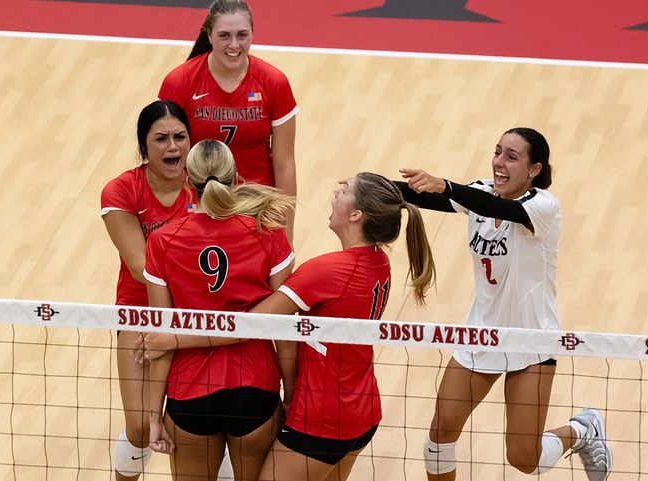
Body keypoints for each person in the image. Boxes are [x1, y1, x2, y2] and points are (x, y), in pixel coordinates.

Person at [395, 128, 612, 481]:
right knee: (437, 441)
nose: (498, 162)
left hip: (532, 341)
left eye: (511, 157)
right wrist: (371, 186)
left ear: (533, 170)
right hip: (481, 336)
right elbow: (428, 197)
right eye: (497, 152)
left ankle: (582, 430)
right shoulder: (480, 193)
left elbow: (497, 207)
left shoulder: (542, 207)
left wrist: (447, 186)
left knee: (526, 459)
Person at [243, 173, 436, 481]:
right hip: (361, 411)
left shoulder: (327, 270)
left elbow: (251, 322)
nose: (335, 191)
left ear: (357, 214)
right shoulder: (378, 262)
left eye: (344, 190)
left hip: (323, 419)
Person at [138, 139, 295, 481]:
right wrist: (291, 398)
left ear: (186, 182)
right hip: (255, 389)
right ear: (237, 177)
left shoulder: (162, 243)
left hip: (189, 393)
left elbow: (161, 338)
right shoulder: (269, 235)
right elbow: (284, 334)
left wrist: (152, 416)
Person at [100, 100, 197, 480]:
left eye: (180, 137)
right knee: (141, 426)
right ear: (144, 146)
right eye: (161, 139)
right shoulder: (122, 191)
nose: (173, 147)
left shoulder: (211, 184)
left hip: (198, 313)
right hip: (141, 311)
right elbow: (141, 268)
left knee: (191, 428)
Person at [159, 0, 298, 239]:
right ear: (209, 35)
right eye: (224, 35)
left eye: (242, 35)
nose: (234, 45)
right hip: (198, 199)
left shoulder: (274, 83)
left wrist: (286, 232)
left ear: (253, 34)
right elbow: (164, 157)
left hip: (256, 203)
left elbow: (284, 164)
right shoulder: (179, 82)